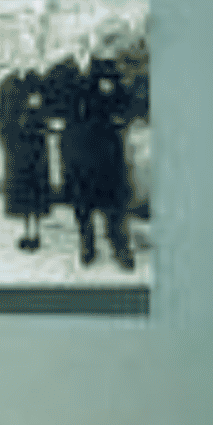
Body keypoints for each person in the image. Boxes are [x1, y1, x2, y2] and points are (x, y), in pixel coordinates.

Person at [60, 49, 137, 269]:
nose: (79, 48)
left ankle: (120, 247)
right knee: (82, 203)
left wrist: (119, 115)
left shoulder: (107, 70)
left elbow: (126, 104)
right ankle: (87, 246)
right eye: (75, 45)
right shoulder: (63, 72)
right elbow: (55, 104)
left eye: (83, 43)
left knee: (113, 203)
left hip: (106, 152)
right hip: (77, 151)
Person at [0, 66, 53, 250]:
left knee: (36, 190)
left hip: (36, 146)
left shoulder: (39, 82)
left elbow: (51, 110)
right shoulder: (6, 83)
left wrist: (40, 117)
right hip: (15, 147)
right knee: (21, 191)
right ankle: (26, 232)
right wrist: (6, 140)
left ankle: (35, 231)